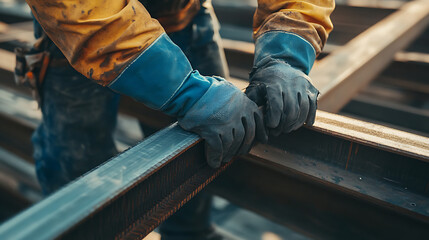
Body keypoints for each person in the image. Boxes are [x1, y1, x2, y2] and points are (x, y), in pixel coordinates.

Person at [21, 0, 334, 239]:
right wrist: (188, 93)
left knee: (203, 161)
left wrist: (287, 52)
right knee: (78, 172)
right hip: (79, 20)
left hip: (185, 13)